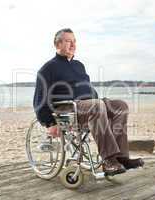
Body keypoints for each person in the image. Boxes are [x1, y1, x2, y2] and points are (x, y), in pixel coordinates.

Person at [33, 28, 144, 175]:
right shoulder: (47, 69)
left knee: (120, 106)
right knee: (97, 106)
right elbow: (39, 99)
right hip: (68, 109)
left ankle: (121, 158)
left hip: (89, 105)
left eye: (74, 41)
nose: (73, 45)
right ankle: (109, 160)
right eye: (68, 41)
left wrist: (99, 100)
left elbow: (88, 88)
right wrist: (49, 123)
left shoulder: (79, 65)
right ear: (57, 44)